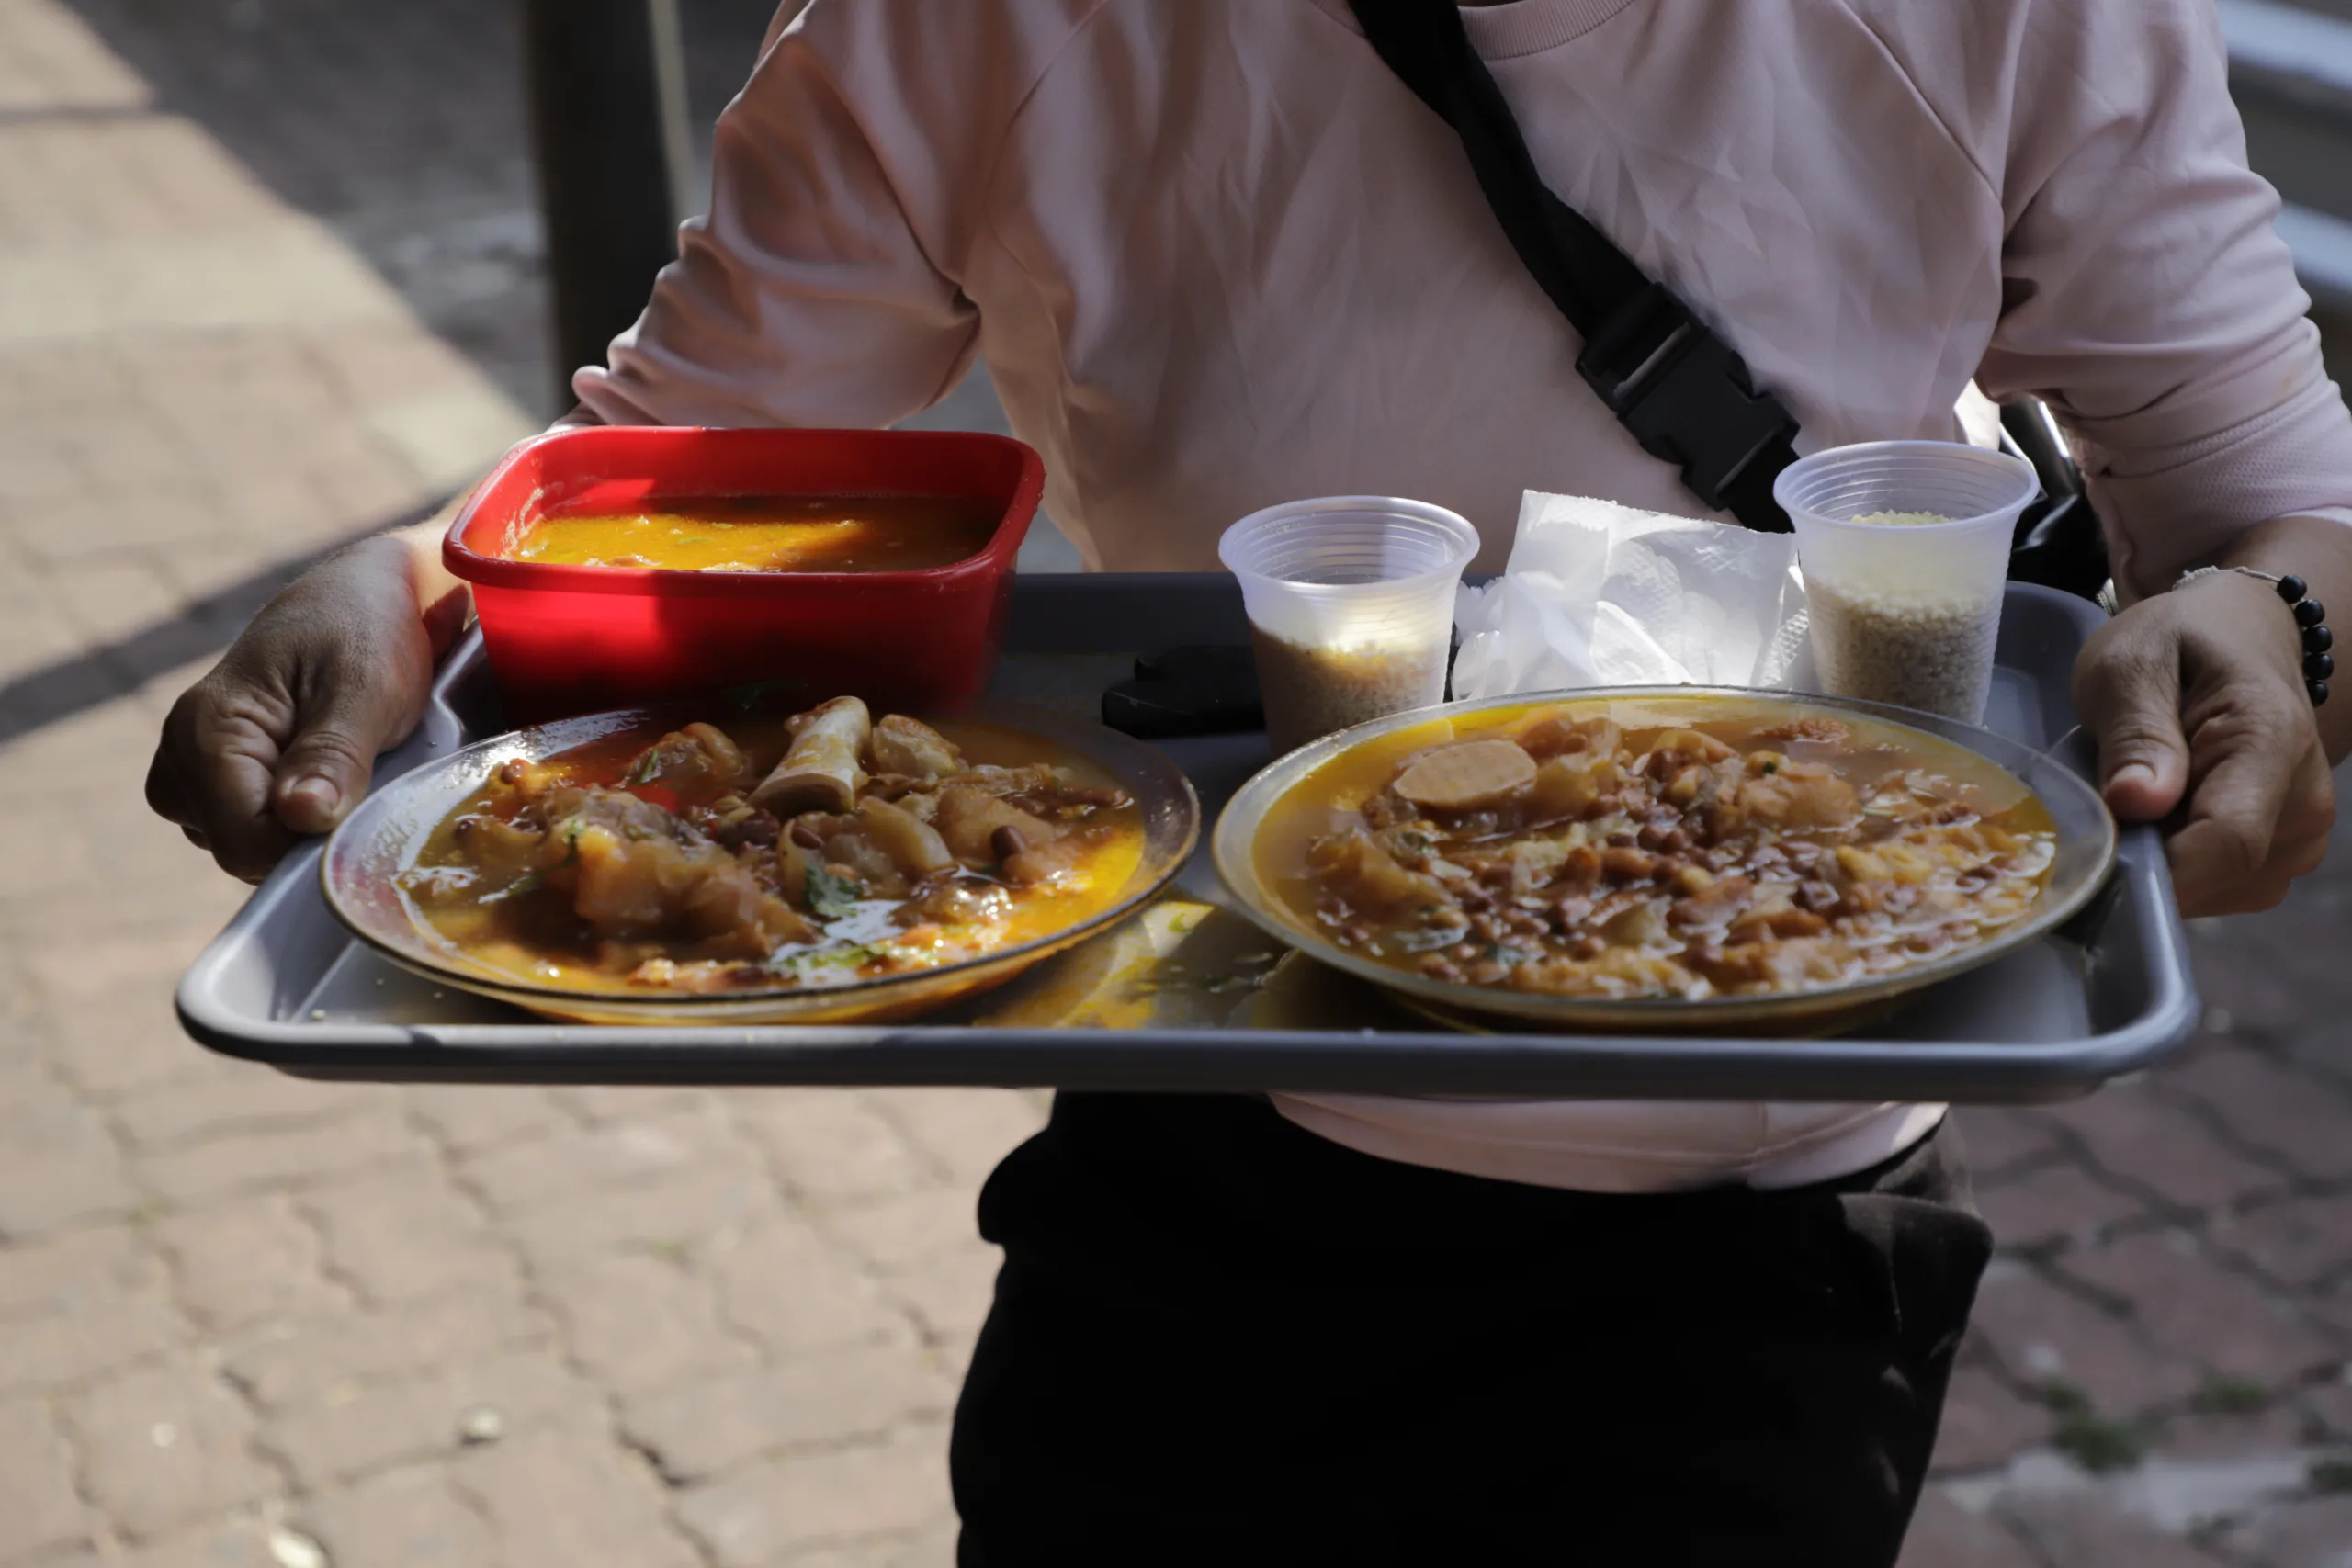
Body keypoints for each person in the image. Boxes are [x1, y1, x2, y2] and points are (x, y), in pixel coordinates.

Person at [148, 1, 2350, 1562]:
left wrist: (2280, 638)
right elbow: (671, 475)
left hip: (1757, 1224)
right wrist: (418, 582)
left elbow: (2277, 509)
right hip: (1201, 1115)